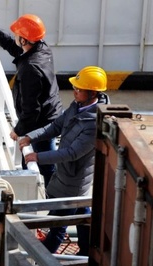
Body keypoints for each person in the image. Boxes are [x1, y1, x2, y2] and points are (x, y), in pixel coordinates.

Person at [18, 66, 110, 255]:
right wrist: (30, 137)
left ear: (93, 93)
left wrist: (38, 157)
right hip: (66, 176)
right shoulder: (77, 106)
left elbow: (72, 153)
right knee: (82, 213)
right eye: (75, 87)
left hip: (73, 182)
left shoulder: (94, 124)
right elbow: (55, 126)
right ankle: (86, 252)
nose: (74, 91)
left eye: (79, 89)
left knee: (57, 226)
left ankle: (40, 264)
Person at [0, 13, 63, 187]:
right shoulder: (42, 48)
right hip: (51, 114)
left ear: (24, 40)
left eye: (18, 35)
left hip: (41, 123)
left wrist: (18, 130)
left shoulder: (30, 69)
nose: (15, 37)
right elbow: (15, 48)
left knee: (42, 164)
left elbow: (31, 109)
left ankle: (49, 196)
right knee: (45, 159)